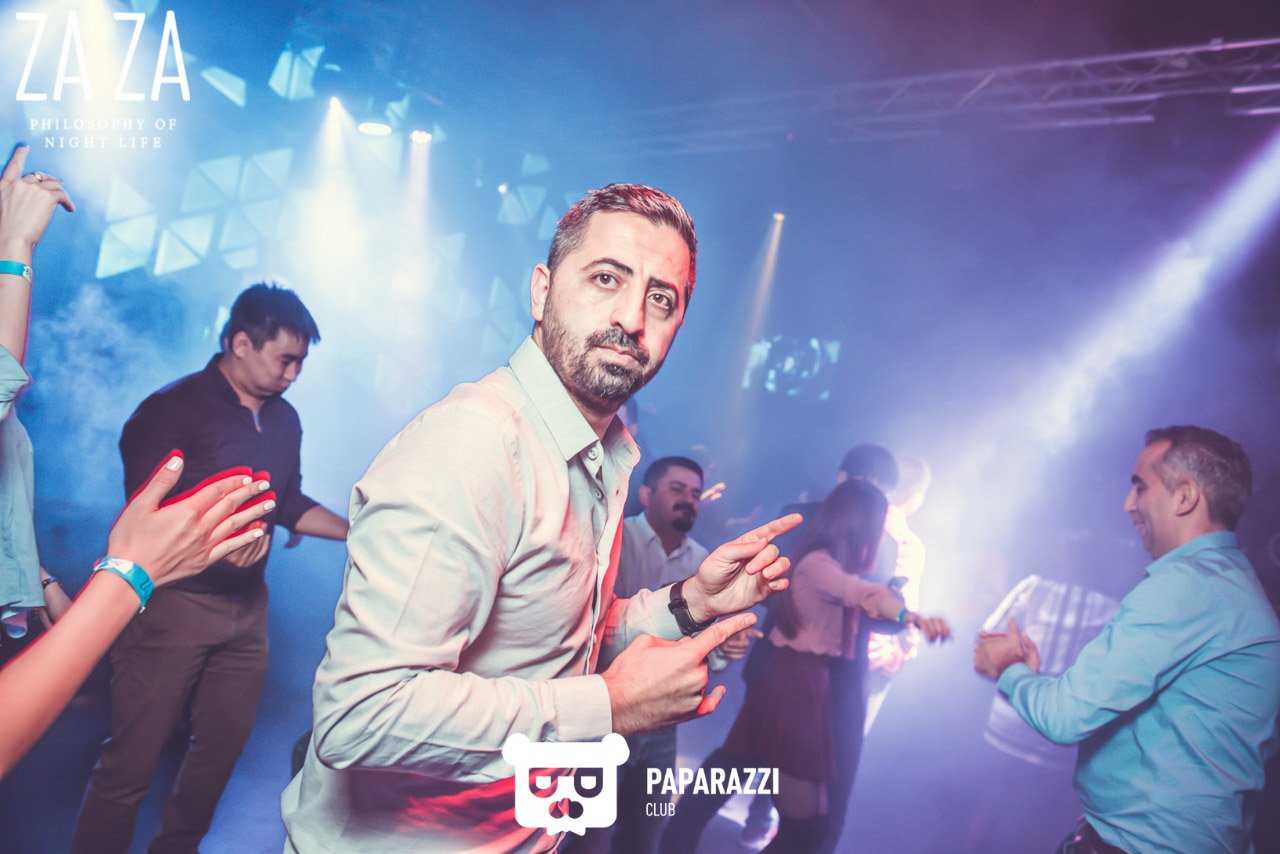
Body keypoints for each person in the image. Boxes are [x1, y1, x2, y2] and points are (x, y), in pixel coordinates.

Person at [281, 183, 799, 853]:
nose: (631, 318)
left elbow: (555, 644)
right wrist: (609, 705)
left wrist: (690, 602)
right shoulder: (474, 445)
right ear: (541, 291)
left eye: (661, 299)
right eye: (606, 278)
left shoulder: (597, 456)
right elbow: (361, 714)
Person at [72, 284, 349, 854]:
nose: (295, 373)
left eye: (301, 362)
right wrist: (217, 544)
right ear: (240, 343)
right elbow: (143, 519)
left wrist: (358, 529)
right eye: (286, 359)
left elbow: (287, 501)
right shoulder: (170, 410)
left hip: (247, 613)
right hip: (170, 606)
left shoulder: (286, 419)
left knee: (218, 753)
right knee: (130, 763)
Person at [974, 426, 1280, 853]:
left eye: (1140, 487)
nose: (1128, 505)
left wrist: (1007, 669)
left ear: (1185, 497)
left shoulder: (1187, 585)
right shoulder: (1232, 584)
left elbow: (1064, 716)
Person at [662, 479, 950, 853]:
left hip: (797, 679)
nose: (882, 537)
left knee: (737, 771)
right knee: (804, 822)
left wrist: (900, 610)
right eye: (878, 526)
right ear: (861, 526)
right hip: (796, 683)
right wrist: (912, 617)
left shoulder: (828, 562)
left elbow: (867, 598)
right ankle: (675, 842)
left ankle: (674, 843)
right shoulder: (818, 564)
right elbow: (862, 594)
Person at [564, 455, 759, 854]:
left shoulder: (704, 560)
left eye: (695, 494)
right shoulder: (614, 539)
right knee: (589, 835)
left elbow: (707, 657)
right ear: (646, 495)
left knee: (646, 829)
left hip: (663, 723)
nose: (689, 500)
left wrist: (723, 648)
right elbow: (594, 627)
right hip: (608, 706)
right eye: (677, 489)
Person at [742, 443, 902, 849]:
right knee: (745, 764)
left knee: (815, 799)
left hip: (840, 679)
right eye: (866, 485)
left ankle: (757, 822)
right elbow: (763, 585)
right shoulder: (798, 519)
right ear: (842, 479)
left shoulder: (886, 542)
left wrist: (894, 616)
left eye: (881, 491)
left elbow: (873, 613)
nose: (870, 498)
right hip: (789, 668)